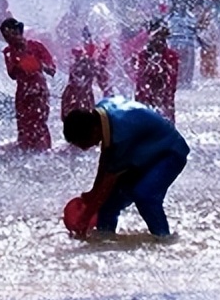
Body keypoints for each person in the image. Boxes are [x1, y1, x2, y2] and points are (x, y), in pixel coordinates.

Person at [62, 98, 190, 240]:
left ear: (94, 130)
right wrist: (93, 192)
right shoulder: (101, 113)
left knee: (144, 196)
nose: (84, 148)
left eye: (83, 143)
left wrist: (84, 219)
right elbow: (106, 159)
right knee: (107, 204)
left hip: (170, 153)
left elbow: (108, 181)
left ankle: (164, 240)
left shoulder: (121, 136)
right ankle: (104, 243)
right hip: (143, 152)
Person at [1, 18, 56, 151]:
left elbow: (52, 69)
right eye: (5, 35)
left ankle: (44, 152)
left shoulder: (36, 46)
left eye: (11, 33)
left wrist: (36, 63)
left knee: (40, 123)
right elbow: (12, 74)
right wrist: (19, 55)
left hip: (39, 90)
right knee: (23, 125)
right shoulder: (8, 52)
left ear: (19, 31)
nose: (9, 38)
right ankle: (25, 153)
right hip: (23, 93)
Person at [132, 22, 180, 123]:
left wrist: (162, 97)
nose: (158, 41)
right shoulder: (143, 55)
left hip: (163, 100)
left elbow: (171, 83)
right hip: (146, 100)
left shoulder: (171, 57)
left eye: (161, 37)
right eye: (156, 36)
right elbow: (140, 82)